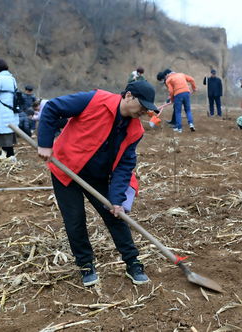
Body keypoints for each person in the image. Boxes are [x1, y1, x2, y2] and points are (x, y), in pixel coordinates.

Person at [37, 80, 159, 287]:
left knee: (115, 215)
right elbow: (52, 108)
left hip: (98, 176)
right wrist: (45, 144)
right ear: (128, 96)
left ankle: (132, 262)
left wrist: (117, 198)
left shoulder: (135, 131)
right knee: (75, 220)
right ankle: (85, 265)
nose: (144, 111)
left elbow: (124, 165)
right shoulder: (94, 100)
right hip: (66, 170)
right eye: (143, 105)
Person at [157, 69, 196, 133]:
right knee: (188, 110)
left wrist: (172, 99)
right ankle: (191, 124)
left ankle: (179, 128)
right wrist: (194, 88)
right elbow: (192, 79)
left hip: (178, 94)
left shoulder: (168, 80)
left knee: (178, 112)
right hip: (186, 92)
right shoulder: (181, 74)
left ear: (167, 75)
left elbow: (171, 91)